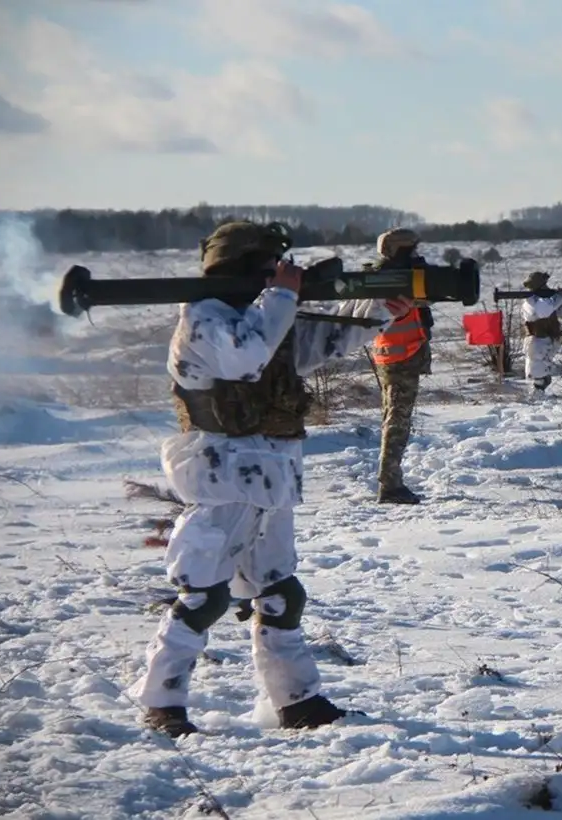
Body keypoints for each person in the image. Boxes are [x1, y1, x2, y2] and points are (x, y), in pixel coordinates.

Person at [133, 221, 413, 738]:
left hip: (273, 475)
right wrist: (282, 294)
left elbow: (324, 340)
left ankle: (296, 701)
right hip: (223, 474)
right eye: (265, 267)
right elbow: (246, 356)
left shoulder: (265, 315)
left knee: (282, 593)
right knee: (205, 597)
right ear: (237, 267)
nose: (274, 277)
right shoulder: (205, 318)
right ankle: (161, 701)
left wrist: (375, 311)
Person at [366, 228, 434, 505]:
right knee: (397, 422)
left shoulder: (387, 275)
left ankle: (390, 481)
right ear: (400, 249)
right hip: (400, 357)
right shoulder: (394, 278)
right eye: (412, 249)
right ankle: (390, 485)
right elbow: (425, 298)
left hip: (396, 355)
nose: (417, 254)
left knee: (394, 419)